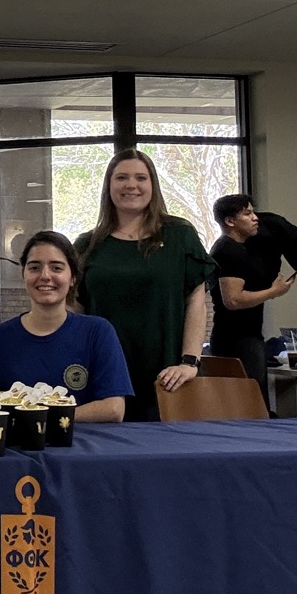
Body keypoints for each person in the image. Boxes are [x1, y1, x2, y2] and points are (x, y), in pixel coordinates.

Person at [75, 149, 215, 420]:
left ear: (153, 185)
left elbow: (196, 303)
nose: (131, 185)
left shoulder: (179, 236)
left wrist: (189, 362)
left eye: (141, 177)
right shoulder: (86, 246)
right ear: (108, 186)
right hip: (103, 383)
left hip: (169, 382)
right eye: (121, 178)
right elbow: (75, 314)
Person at [0, 232, 130, 423]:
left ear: (72, 278)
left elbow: (113, 409)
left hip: (84, 446)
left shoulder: (98, 332)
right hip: (17, 449)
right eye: (34, 267)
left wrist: (44, 420)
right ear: (24, 275)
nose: (45, 276)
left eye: (56, 268)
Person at [207, 194, 296, 398]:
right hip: (238, 340)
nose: (256, 218)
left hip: (244, 337)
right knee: (251, 405)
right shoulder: (228, 250)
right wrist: (274, 291)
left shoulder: (242, 249)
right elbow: (233, 300)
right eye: (247, 213)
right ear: (230, 221)